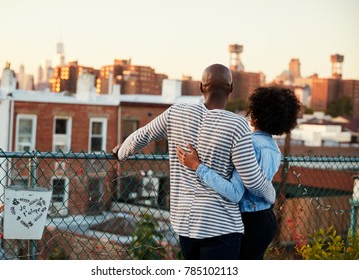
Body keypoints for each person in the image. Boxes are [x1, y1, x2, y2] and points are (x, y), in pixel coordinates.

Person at [112, 64, 275, 260]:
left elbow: (142, 135)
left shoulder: (175, 113)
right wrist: (272, 195)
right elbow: (253, 181)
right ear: (230, 89)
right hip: (220, 227)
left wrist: (121, 152)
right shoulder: (237, 124)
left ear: (200, 87)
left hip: (185, 224)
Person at [176, 85, 301, 259]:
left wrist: (198, 166)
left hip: (247, 221)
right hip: (266, 219)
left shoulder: (247, 144)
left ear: (255, 114)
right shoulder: (274, 149)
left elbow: (235, 191)